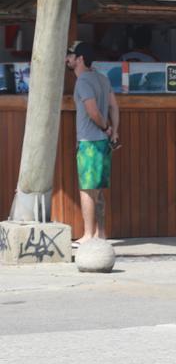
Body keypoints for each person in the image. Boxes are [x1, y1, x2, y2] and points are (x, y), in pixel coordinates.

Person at [66, 41, 120, 244]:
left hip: (90, 142)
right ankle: (101, 233)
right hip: (103, 143)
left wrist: (105, 127)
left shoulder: (83, 82)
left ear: (80, 59)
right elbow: (114, 106)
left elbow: (93, 111)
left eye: (71, 55)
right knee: (97, 190)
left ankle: (89, 235)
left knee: (87, 190)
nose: (68, 59)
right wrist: (113, 132)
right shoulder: (102, 78)